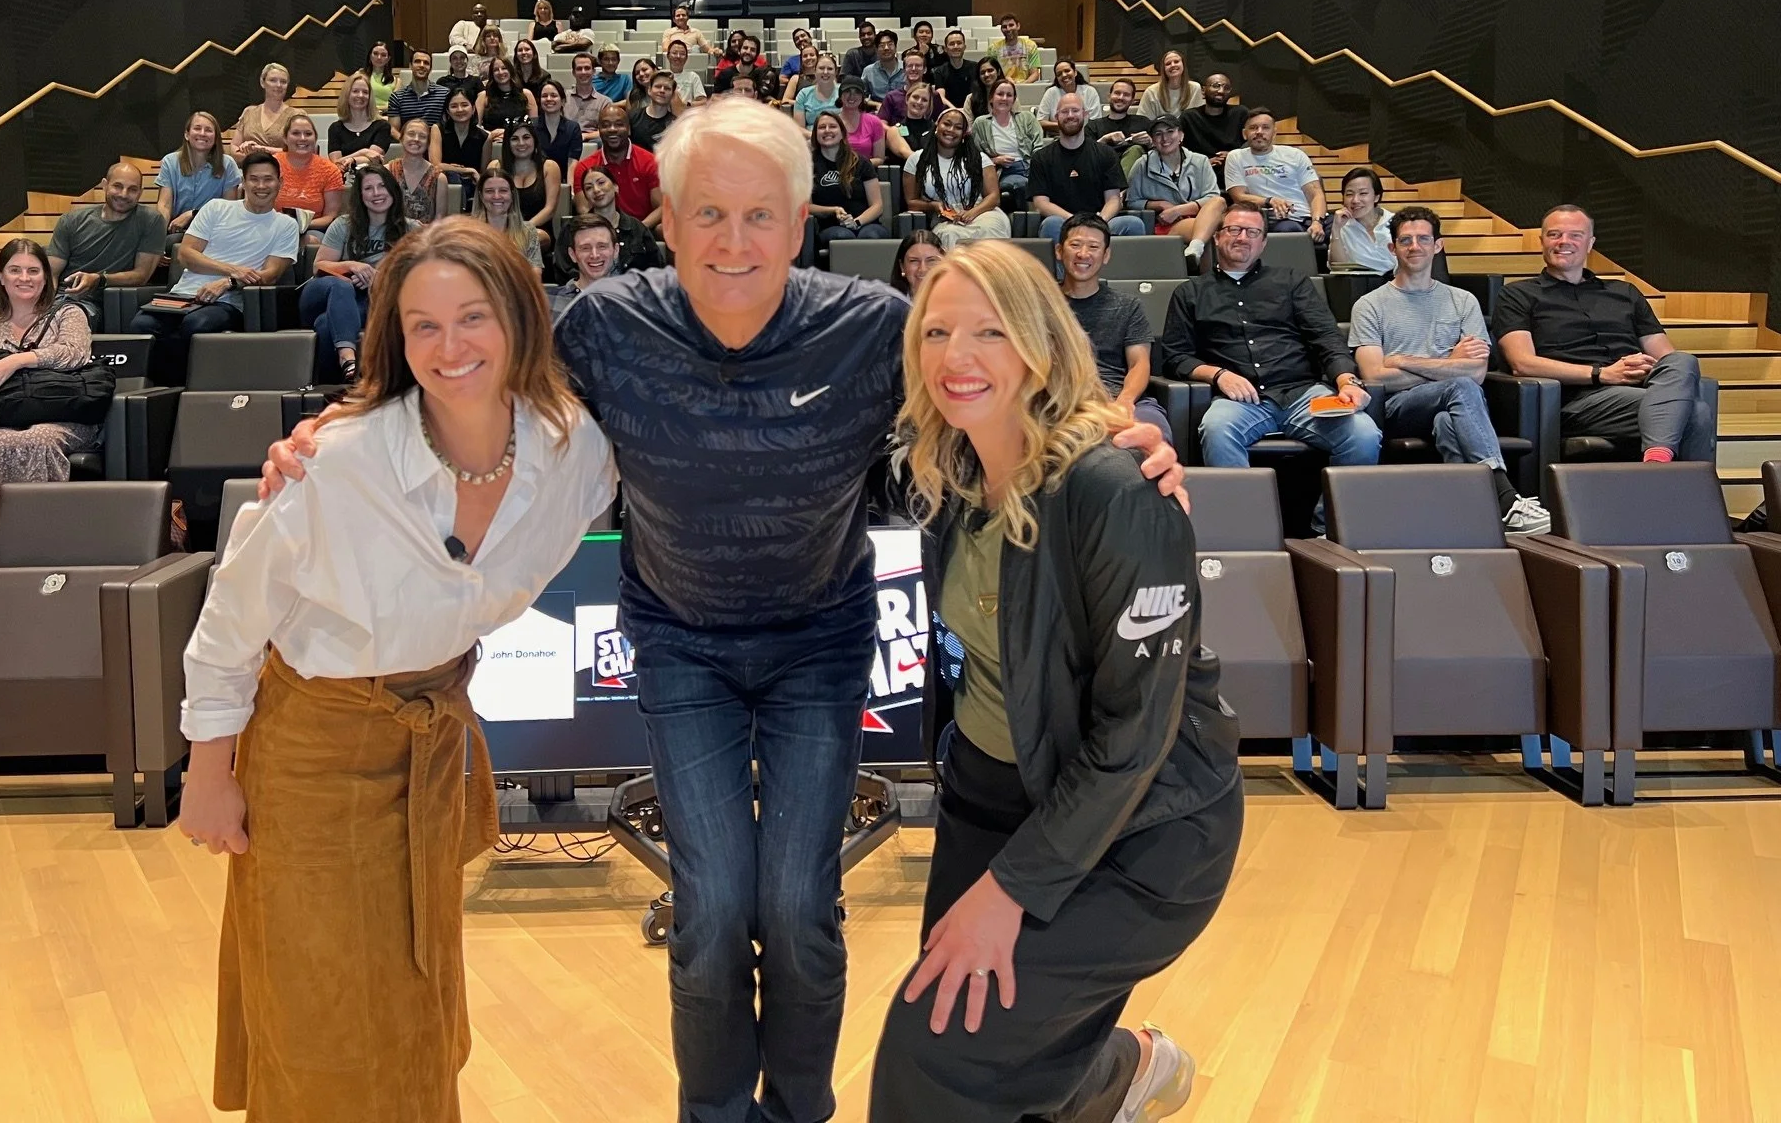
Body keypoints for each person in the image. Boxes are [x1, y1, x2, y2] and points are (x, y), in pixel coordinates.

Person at [258, 99, 1183, 1123]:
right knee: (707, 913)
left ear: (799, 225)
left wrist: (1119, 442)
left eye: (758, 217)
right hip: (681, 644)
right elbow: (471, 387)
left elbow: (990, 404)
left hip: (819, 645)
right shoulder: (608, 327)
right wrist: (335, 433)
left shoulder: (872, 331)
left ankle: (797, 1111)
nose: (732, 243)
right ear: (670, 220)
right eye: (708, 214)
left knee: (796, 910)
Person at [178, 219, 617, 1123]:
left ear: (520, 319)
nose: (451, 347)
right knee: (323, 1015)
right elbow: (229, 623)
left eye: (473, 318)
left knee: (420, 1003)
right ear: (396, 339)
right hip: (311, 752)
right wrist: (209, 775)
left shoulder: (573, 454)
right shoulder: (335, 462)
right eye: (423, 326)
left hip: (429, 749)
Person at [867, 241, 1239, 1123]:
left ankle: (1117, 1069)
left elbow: (1134, 740)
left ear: (1041, 342)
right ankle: (1119, 1073)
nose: (958, 357)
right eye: (939, 331)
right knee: (980, 1041)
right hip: (991, 796)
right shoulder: (946, 470)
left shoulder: (1119, 485)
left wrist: (1012, 890)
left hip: (1142, 832)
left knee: (936, 1055)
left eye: (990, 332)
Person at [1351, 207, 1551, 533]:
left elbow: (1477, 373)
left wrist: (1403, 360)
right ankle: (1504, 498)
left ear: (1438, 245)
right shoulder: (1370, 305)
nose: (1415, 246)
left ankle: (1470, 518)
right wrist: (1450, 362)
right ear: (1392, 248)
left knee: (1449, 418)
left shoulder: (1463, 301)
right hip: (1399, 407)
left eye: (1423, 239)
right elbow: (1375, 376)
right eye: (1405, 240)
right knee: (1459, 388)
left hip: (1454, 403)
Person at [1161, 201, 1381, 471]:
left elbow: (1326, 338)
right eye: (1234, 229)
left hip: (1303, 394)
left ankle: (1329, 514)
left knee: (1363, 434)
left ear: (1263, 243)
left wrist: (1348, 382)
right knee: (1217, 430)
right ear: (1217, 238)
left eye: (1252, 232)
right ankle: (1246, 514)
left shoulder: (1292, 282)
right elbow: (1175, 356)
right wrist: (1218, 374)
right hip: (1240, 401)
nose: (1242, 238)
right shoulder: (1190, 293)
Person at [1493, 204, 1716, 463]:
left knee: (1683, 360)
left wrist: (1641, 368)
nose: (1564, 242)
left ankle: (1657, 464)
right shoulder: (1517, 294)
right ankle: (1668, 482)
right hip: (1575, 400)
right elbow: (1522, 363)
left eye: (1575, 235)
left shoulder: (1625, 293)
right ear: (1541, 240)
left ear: (1590, 243)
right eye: (1555, 234)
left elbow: (1665, 358)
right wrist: (1603, 374)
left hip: (1639, 388)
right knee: (1695, 413)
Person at [0, 239, 104, 542]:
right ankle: (0, 540)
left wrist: (16, 362)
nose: (24, 278)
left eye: (33, 270)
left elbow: (74, 353)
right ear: (1, 277)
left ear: (46, 277)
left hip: (63, 416)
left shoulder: (68, 314)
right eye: (15, 270)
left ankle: (41, 535)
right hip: (5, 417)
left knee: (36, 438)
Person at [131, 152, 301, 385]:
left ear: (280, 183)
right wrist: (232, 270)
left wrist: (228, 283)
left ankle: (180, 391)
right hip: (182, 296)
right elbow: (187, 254)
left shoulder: (286, 225)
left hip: (230, 301)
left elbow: (270, 274)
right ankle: (159, 390)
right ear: (243, 182)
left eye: (268, 179)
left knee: (196, 325)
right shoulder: (216, 208)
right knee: (141, 325)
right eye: (254, 179)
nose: (261, 186)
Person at [1055, 214, 1172, 440]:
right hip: (1061, 399)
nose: (1083, 254)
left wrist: (1124, 402)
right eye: (1075, 245)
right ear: (1059, 251)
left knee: (1154, 432)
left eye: (1093, 247)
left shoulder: (1128, 306)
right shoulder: (1040, 304)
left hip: (1121, 397)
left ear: (1106, 255)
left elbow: (1139, 363)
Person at [300, 164, 414, 382]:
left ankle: (335, 388)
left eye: (382, 186)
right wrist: (353, 266)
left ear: (393, 190)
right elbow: (319, 266)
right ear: (360, 195)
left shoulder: (411, 229)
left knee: (325, 326)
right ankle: (348, 357)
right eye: (368, 188)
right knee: (340, 286)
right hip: (324, 292)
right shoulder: (343, 224)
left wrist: (380, 277)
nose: (376, 193)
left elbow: (419, 275)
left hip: (369, 300)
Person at [46, 161, 165, 324]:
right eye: (118, 186)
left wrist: (98, 279)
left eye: (132, 189)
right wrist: (41, 307)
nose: (123, 194)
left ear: (140, 193)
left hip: (94, 304)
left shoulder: (151, 221)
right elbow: (51, 273)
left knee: (67, 320)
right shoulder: (72, 221)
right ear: (104, 185)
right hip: (59, 297)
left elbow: (141, 275)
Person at [1027, 92, 1144, 241]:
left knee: (1133, 224)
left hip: (1099, 220)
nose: (1070, 115)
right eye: (1064, 111)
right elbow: (1041, 204)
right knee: (1051, 224)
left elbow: (1113, 200)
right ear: (1056, 117)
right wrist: (1074, 221)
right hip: (1063, 222)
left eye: (1075, 110)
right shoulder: (1041, 157)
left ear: (1085, 114)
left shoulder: (1106, 153)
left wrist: (1099, 221)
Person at [1124, 115, 1226, 263]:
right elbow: (1131, 201)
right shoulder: (1142, 165)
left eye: (1170, 131)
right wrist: (1159, 205)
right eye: (1158, 134)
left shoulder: (1200, 161)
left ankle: (1195, 249)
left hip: (1198, 217)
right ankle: (1203, 268)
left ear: (1181, 135)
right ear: (1152, 140)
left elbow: (1212, 197)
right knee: (1210, 230)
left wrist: (1177, 210)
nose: (1165, 138)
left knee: (1218, 202)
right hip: (1165, 225)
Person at [905, 108, 1009, 249]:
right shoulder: (916, 159)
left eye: (958, 127)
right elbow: (911, 202)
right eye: (947, 124)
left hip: (981, 212)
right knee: (950, 235)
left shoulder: (980, 159)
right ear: (937, 126)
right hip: (944, 219)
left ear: (964, 134)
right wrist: (933, 206)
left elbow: (993, 197)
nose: (951, 130)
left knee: (991, 229)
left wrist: (972, 213)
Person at [1222, 108, 1325, 239]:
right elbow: (1239, 196)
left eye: (1265, 128)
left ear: (1274, 133)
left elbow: (1316, 193)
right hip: (1277, 219)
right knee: (1290, 230)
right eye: (1253, 128)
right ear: (1244, 134)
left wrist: (1317, 222)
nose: (1259, 132)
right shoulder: (1236, 157)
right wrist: (1269, 201)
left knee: (1343, 225)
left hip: (1310, 217)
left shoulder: (1295, 154)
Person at [571, 106, 662, 229]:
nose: (612, 129)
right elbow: (584, 210)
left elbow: (661, 207)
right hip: (601, 232)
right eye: (606, 125)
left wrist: (638, 230)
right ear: (599, 130)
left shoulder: (650, 162)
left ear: (629, 129)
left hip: (642, 229)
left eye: (619, 124)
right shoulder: (584, 167)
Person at [808, 110, 888, 242]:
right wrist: (833, 210)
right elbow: (807, 206)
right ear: (815, 134)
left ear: (842, 133)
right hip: (831, 226)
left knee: (871, 236)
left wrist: (856, 222)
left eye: (833, 126)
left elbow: (877, 205)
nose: (827, 130)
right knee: (843, 237)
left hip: (866, 223)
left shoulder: (861, 162)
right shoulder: (808, 165)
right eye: (822, 127)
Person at [158, 111, 242, 235]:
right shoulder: (169, 162)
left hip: (212, 232)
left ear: (215, 138)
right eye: (197, 128)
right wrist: (158, 236)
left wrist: (193, 214)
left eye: (208, 130)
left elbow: (228, 210)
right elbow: (164, 205)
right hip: (175, 230)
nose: (202, 133)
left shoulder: (228, 164)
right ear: (187, 134)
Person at [970, 77, 1045, 204]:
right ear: (991, 98)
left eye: (1009, 95)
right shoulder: (981, 123)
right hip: (1003, 171)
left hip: (1030, 167)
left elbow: (1038, 147)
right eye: (1000, 94)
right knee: (1018, 185)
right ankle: (1025, 221)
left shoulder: (1027, 118)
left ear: (1014, 100)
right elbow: (975, 156)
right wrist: (994, 160)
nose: (1004, 98)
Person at [572, 167, 661, 272]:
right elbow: (565, 271)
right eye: (589, 188)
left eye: (601, 183)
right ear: (586, 196)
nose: (596, 190)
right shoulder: (574, 229)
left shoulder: (637, 228)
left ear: (616, 187)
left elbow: (657, 268)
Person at [274, 115, 344, 234]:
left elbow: (330, 217)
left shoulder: (330, 170)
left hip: (312, 229)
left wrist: (300, 225)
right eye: (296, 133)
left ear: (315, 138)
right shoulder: (271, 165)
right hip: (274, 227)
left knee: (312, 240)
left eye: (308, 134)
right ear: (285, 138)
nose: (302, 138)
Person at [546, 211, 623, 321]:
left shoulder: (635, 302)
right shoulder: (548, 302)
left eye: (602, 246)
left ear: (616, 251)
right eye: (585, 248)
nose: (595, 255)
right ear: (573, 255)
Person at [499, 120, 561, 246]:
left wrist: (523, 229)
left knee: (533, 237)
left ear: (534, 140)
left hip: (538, 230)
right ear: (507, 143)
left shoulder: (549, 167)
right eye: (515, 139)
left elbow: (550, 209)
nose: (521, 143)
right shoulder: (496, 167)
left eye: (526, 137)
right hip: (503, 229)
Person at [472, 166, 543, 274]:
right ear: (481, 196)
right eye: (489, 191)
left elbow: (535, 278)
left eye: (503, 191)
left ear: (512, 195)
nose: (496, 196)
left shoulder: (528, 232)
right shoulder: (468, 232)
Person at [1326, 167, 1394, 274]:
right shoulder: (1342, 227)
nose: (1355, 200)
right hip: (1359, 286)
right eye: (1349, 194)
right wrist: (1336, 230)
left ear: (1376, 197)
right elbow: (1338, 269)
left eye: (1363, 193)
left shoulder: (1396, 223)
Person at [327, 74, 394, 169]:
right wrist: (363, 152)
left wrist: (352, 159)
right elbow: (336, 164)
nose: (361, 95)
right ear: (347, 94)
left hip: (372, 178)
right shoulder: (335, 128)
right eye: (355, 91)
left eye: (365, 92)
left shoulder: (382, 126)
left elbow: (374, 158)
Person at [436, 89, 489, 207]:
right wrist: (467, 170)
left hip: (473, 188)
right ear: (448, 111)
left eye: (464, 105)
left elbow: (482, 173)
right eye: (454, 106)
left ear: (473, 108)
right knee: (451, 176)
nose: (460, 110)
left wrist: (452, 167)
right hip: (444, 186)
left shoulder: (485, 137)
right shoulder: (438, 130)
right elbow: (436, 165)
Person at [229, 62, 294, 157]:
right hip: (249, 169)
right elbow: (234, 147)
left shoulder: (296, 115)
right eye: (273, 80)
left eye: (283, 82)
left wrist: (260, 150)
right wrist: (248, 154)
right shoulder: (249, 112)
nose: (279, 85)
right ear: (262, 83)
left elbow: (297, 152)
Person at [837, 78, 909, 164]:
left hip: (865, 173)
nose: (852, 95)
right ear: (840, 95)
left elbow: (879, 159)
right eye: (847, 91)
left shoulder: (874, 122)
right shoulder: (832, 121)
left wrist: (857, 165)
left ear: (863, 97)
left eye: (857, 92)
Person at [1180, 73, 1243, 170]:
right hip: (1198, 171)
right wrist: (1203, 163)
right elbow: (1179, 149)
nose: (1221, 91)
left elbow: (1250, 145)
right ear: (1203, 91)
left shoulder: (1240, 113)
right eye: (1216, 86)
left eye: (1226, 87)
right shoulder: (1189, 117)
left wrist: (1233, 156)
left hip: (1234, 169)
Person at [390, 117, 447, 224]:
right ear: (401, 138)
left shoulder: (439, 178)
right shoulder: (387, 171)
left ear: (428, 143)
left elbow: (440, 220)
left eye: (422, 136)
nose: (416, 139)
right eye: (411, 134)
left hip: (425, 237)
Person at [1086, 77, 1151, 157]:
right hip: (1103, 167)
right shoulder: (1093, 126)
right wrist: (1104, 139)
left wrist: (1150, 143)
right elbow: (1085, 155)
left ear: (1132, 101)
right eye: (1117, 93)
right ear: (1109, 96)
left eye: (1126, 95)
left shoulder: (1143, 122)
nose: (1120, 97)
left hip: (1136, 167)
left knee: (1136, 149)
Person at [476, 56, 536, 137]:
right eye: (496, 70)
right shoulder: (484, 96)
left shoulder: (526, 94)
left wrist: (507, 133)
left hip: (518, 144)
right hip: (492, 143)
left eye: (504, 68)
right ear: (492, 74)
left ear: (511, 70)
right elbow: (476, 128)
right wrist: (492, 134)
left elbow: (534, 127)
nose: (500, 72)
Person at [1134, 49, 1196, 123]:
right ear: (1164, 69)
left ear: (1183, 65)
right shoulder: (1151, 92)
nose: (1173, 65)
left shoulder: (1195, 88)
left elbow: (1198, 120)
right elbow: (1143, 122)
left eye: (1176, 61)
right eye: (1168, 64)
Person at [1034, 60, 1100, 126]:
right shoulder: (1051, 93)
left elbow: (1096, 122)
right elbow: (1040, 121)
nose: (1064, 75)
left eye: (1067, 71)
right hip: (1057, 135)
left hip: (1086, 135)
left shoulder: (1090, 91)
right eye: (1059, 74)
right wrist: (1064, 127)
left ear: (1075, 72)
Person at [792, 49, 844, 127]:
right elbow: (799, 129)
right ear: (815, 70)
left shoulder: (844, 91)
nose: (825, 72)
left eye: (830, 69)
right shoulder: (803, 94)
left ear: (836, 72)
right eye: (821, 68)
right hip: (810, 138)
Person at [632, 70, 683, 151]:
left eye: (667, 88)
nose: (662, 90)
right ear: (649, 90)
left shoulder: (676, 125)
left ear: (672, 94)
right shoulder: (632, 118)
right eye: (658, 86)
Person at [565, 51, 613, 133]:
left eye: (587, 68)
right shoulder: (563, 97)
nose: (583, 72)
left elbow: (607, 130)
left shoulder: (605, 102)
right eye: (579, 69)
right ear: (573, 72)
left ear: (593, 71)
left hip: (594, 142)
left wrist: (585, 136)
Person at [986, 14, 1042, 84]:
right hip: (1002, 86)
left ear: (1018, 26)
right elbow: (991, 73)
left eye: (1011, 25)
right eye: (1004, 27)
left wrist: (1023, 85)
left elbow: (1035, 74)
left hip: (1026, 85)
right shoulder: (993, 48)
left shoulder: (1030, 46)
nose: (1008, 29)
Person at [932, 29, 979, 110]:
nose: (956, 46)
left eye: (959, 43)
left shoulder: (976, 67)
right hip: (949, 111)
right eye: (952, 44)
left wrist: (966, 111)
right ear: (946, 49)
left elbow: (979, 94)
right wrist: (957, 112)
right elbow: (941, 98)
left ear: (964, 47)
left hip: (972, 111)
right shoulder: (939, 71)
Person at [892, 229, 945, 295]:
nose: (923, 269)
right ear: (902, 266)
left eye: (931, 260)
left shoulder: (957, 300)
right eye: (914, 261)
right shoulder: (888, 303)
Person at [863, 30, 908, 100]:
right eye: (882, 45)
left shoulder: (907, 68)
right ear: (877, 49)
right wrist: (876, 105)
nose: (886, 48)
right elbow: (862, 97)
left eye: (890, 44)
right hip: (877, 109)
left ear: (896, 47)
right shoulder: (868, 71)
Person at [664, 39, 708, 105]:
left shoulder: (693, 76)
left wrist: (687, 105)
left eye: (682, 54)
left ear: (686, 58)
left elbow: (703, 102)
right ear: (668, 56)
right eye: (674, 53)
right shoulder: (661, 76)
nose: (678, 56)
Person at [963, 56, 1007, 123]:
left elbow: (1018, 122)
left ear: (998, 72)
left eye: (990, 70)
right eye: (982, 72)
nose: (986, 74)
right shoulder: (970, 99)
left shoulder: (1009, 96)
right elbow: (969, 126)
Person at [365, 40, 403, 113]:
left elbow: (395, 105)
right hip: (365, 115)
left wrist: (378, 109)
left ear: (388, 59)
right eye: (375, 53)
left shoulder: (396, 81)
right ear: (370, 56)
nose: (379, 57)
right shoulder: (360, 75)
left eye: (383, 55)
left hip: (387, 116)